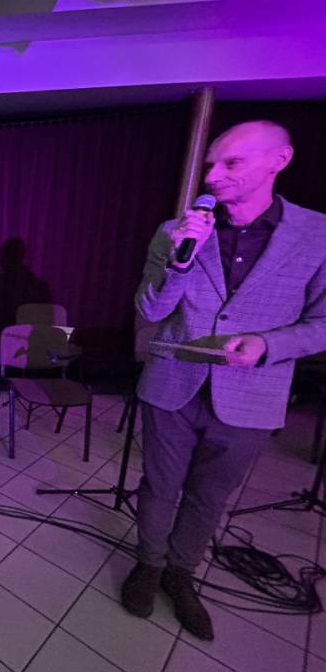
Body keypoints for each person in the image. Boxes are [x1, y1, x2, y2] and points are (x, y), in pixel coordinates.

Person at [122, 120, 326, 640]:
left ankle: (181, 573)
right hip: (172, 383)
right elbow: (151, 309)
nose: (212, 175)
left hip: (252, 395)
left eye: (231, 163)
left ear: (280, 160)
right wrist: (181, 261)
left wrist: (268, 345)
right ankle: (148, 564)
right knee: (159, 485)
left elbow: (322, 322)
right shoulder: (175, 231)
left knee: (210, 496)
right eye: (211, 163)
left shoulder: (317, 235)